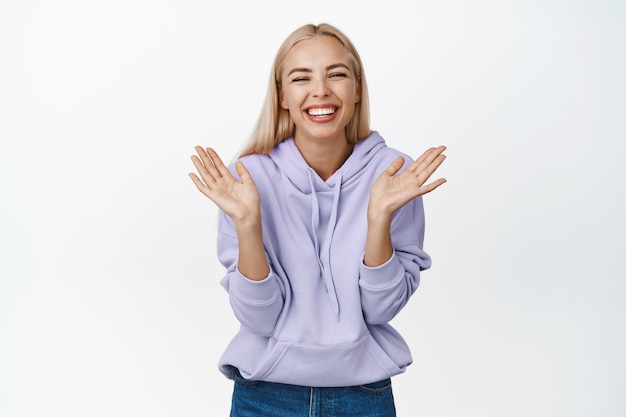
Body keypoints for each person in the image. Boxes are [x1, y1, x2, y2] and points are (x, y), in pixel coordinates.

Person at [189, 22, 446, 417]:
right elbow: (259, 318)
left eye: (337, 74)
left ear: (357, 89)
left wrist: (378, 218)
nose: (321, 91)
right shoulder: (246, 179)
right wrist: (248, 224)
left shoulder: (393, 174)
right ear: (282, 95)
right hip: (265, 395)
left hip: (362, 395)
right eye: (301, 77)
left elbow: (381, 310)